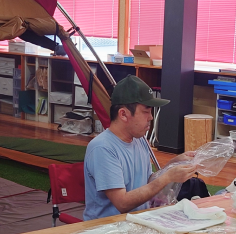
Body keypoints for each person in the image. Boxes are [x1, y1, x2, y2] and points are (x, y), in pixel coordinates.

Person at [83, 75, 197, 220]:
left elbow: (148, 181)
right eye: (146, 111)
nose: (151, 117)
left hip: (136, 222)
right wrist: (167, 177)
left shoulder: (140, 140)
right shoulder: (102, 148)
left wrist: (172, 164)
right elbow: (122, 203)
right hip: (105, 228)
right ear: (123, 114)